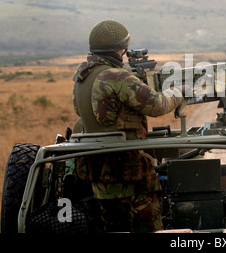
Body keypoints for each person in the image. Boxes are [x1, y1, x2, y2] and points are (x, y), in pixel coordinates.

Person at [72, 19, 184, 232]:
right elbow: (157, 105)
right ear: (118, 49)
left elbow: (81, 111)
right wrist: (178, 93)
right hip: (129, 176)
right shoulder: (117, 76)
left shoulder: (82, 76)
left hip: (100, 178)